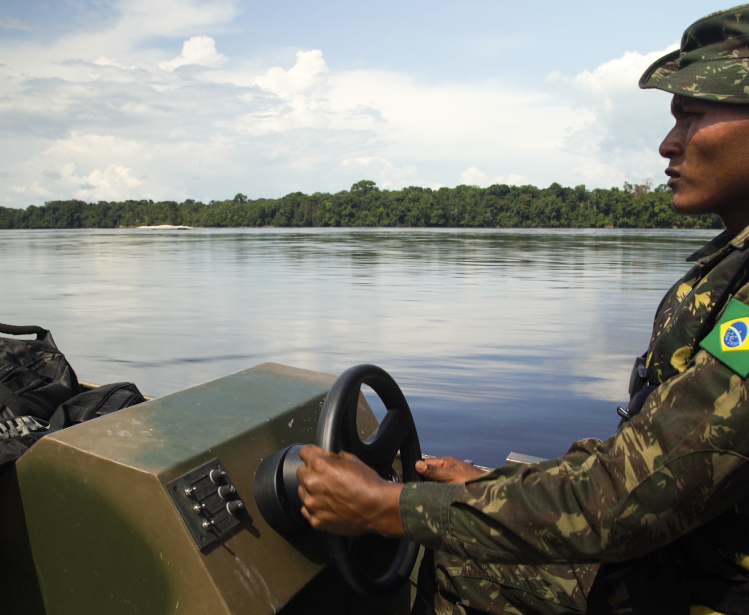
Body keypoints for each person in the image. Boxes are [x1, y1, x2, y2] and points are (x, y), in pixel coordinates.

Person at [297, 5, 749, 613]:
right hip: (681, 562)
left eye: (691, 116)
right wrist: (493, 486)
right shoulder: (732, 266)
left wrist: (385, 507)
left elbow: (623, 500)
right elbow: (646, 449)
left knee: (452, 563)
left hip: (697, 586)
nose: (668, 144)